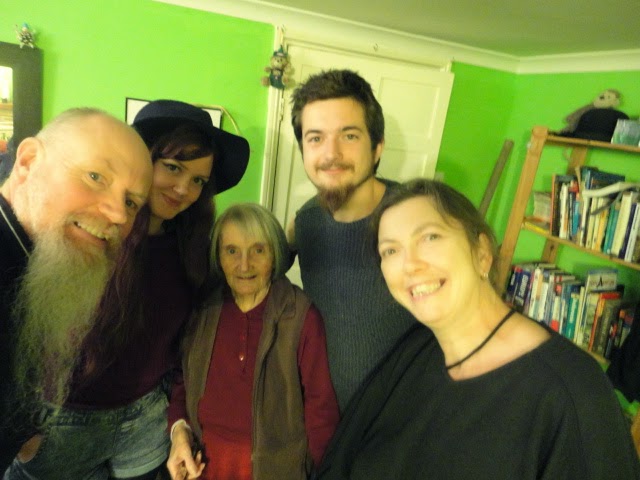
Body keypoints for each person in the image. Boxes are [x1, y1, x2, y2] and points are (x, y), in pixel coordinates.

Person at [317, 178, 640, 479]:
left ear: (482, 252)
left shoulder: (571, 394)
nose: (409, 265)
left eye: (430, 237)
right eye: (390, 250)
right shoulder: (414, 351)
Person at [4, 100, 250, 480]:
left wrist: (178, 421)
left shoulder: (193, 248)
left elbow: (188, 345)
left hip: (146, 420)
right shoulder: (85, 235)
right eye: (173, 167)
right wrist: (24, 425)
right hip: (66, 423)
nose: (184, 189)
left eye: (199, 181)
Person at [0, 108, 152, 470]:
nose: (119, 215)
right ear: (28, 161)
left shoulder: (36, 263)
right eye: (95, 177)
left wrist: (23, 428)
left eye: (131, 202)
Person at [167, 203, 340, 480]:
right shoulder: (204, 310)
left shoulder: (300, 316)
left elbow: (321, 411)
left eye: (258, 250)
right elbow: (182, 383)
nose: (244, 265)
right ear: (218, 257)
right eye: (231, 251)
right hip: (204, 467)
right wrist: (179, 433)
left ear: (275, 254)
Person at [288, 69, 417, 411]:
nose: (331, 153)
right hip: (327, 418)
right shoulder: (306, 222)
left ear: (377, 147)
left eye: (349, 135)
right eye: (315, 138)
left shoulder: (418, 216)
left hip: (401, 419)